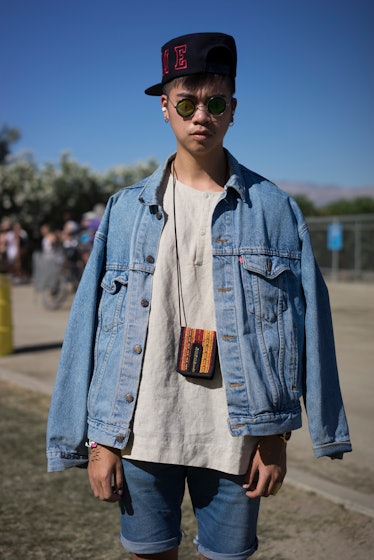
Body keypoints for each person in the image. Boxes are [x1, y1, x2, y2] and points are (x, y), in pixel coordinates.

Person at [47, 32, 352, 560]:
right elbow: (87, 329)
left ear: (233, 108)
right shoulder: (124, 211)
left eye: (215, 103)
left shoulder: (275, 209)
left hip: (237, 436)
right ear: (165, 108)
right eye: (186, 103)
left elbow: (311, 325)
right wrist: (96, 441)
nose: (200, 117)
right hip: (140, 431)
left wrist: (279, 435)